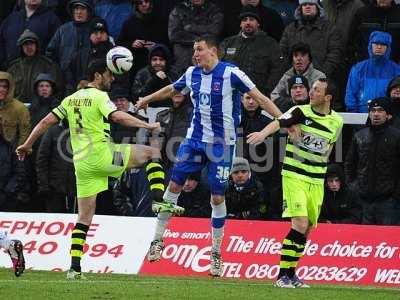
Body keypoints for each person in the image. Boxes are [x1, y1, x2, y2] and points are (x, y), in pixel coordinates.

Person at [15, 59, 183, 279]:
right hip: (102, 155)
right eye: (109, 75)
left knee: (84, 218)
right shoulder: (99, 96)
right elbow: (117, 116)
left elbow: (46, 121)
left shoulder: (70, 99)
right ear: (97, 75)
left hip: (82, 165)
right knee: (151, 153)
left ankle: (74, 269)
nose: (112, 78)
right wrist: (147, 125)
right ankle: (158, 199)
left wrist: (27, 144)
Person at [136, 35, 282, 277]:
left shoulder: (232, 73)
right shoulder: (192, 73)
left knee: (216, 197)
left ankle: (215, 251)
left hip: (222, 145)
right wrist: (148, 99)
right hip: (194, 140)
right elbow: (173, 88)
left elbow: (260, 98)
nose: (195, 54)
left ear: (213, 51)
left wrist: (283, 118)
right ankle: (157, 239)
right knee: (174, 184)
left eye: (199, 49)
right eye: (194, 50)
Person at [247, 78, 344, 287]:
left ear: (328, 97)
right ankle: (281, 276)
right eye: (313, 89)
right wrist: (263, 133)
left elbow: (328, 148)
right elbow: (278, 121)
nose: (312, 93)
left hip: (316, 179)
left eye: (317, 91)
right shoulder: (300, 112)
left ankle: (292, 275)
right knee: (299, 224)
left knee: (307, 228)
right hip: (294, 176)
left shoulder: (337, 121)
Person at [344, 97, 400, 225]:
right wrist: (353, 187)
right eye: (373, 110)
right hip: (363, 200)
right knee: (363, 242)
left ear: (388, 114)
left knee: (387, 242)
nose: (376, 114)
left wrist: (396, 194)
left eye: (380, 110)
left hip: (389, 202)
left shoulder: (396, 136)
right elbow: (349, 163)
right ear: (369, 113)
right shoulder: (360, 136)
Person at [345, 31, 400, 113]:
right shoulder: (358, 68)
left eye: (383, 44)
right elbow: (350, 93)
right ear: (370, 45)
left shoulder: (396, 69)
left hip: (388, 116)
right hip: (361, 115)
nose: (379, 47)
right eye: (376, 43)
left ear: (388, 47)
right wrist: (353, 114)